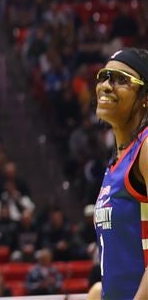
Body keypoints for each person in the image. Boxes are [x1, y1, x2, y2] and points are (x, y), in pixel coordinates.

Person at [93, 48, 148, 300]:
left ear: (145, 96)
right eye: (104, 76)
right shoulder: (117, 161)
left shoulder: (145, 148)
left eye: (121, 79)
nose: (106, 85)